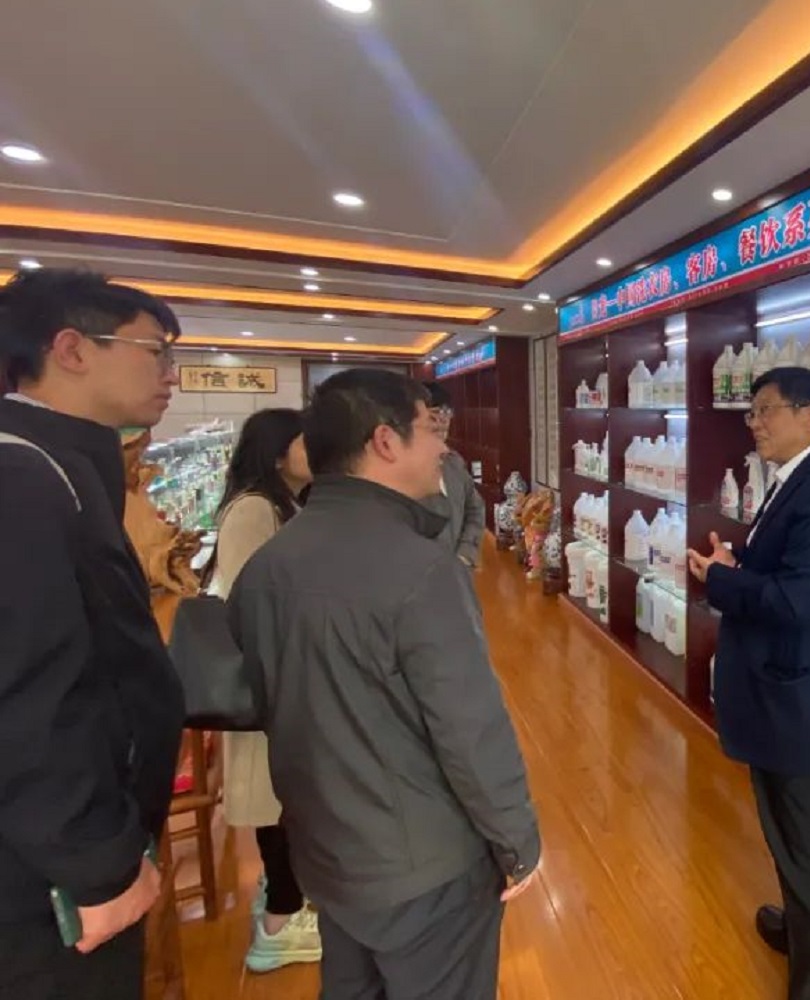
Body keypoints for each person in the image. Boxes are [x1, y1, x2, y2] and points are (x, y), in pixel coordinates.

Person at [228, 368, 541, 1000]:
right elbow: (470, 730)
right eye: (431, 429)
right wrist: (518, 842)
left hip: (325, 851)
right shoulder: (422, 571)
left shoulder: (268, 566)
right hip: (424, 866)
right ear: (385, 441)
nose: (444, 447)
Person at [0, 268, 187, 999]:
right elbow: (30, 695)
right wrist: (98, 866)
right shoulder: (21, 476)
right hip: (43, 884)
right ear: (71, 349)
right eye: (155, 351)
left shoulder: (62, 463)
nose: (171, 375)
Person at [687, 367, 810, 1000]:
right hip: (785, 687)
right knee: (786, 834)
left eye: (765, 410)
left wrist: (722, 580)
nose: (754, 423)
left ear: (809, 415)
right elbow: (787, 569)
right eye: (752, 412)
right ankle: (801, 931)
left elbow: (799, 599)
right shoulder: (798, 476)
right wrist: (738, 563)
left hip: (808, 696)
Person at [201, 408, 320, 973]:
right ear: (276, 454)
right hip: (268, 680)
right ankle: (279, 922)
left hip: (284, 674)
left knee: (287, 799)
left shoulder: (286, 503)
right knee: (276, 801)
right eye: (304, 442)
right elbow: (251, 601)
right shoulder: (254, 508)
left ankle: (284, 900)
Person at [422, 380, 485, 568]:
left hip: (459, 573)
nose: (442, 421)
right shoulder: (401, 469)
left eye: (447, 413)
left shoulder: (454, 462)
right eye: (434, 414)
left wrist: (465, 555)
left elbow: (475, 509)